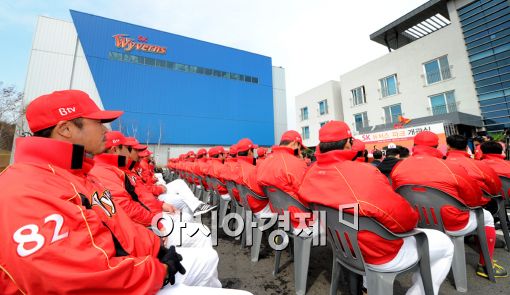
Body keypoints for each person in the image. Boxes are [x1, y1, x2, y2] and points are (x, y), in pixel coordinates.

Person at [0, 90, 252, 294]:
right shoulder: (26, 188)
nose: (105, 131)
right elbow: (82, 278)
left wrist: (156, 248)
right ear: (66, 129)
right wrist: (159, 269)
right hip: (120, 281)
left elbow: (119, 226)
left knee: (207, 258)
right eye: (98, 122)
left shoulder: (77, 172)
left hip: (134, 262)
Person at [298, 121, 454, 294]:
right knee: (445, 244)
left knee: (368, 226)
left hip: (340, 245)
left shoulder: (310, 172)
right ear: (348, 142)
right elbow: (403, 220)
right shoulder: (364, 172)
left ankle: (367, 285)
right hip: (376, 252)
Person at [391, 131, 507, 278]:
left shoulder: (399, 166)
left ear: (414, 146)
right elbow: (473, 200)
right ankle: (485, 266)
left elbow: (396, 194)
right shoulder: (451, 167)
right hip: (451, 222)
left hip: (415, 221)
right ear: (437, 146)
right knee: (487, 216)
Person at [257, 130, 310, 229]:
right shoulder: (296, 163)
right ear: (295, 144)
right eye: (300, 148)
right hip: (298, 219)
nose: (301, 151)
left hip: (277, 213)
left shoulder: (265, 161)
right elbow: (307, 193)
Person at [233, 138, 272, 217]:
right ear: (250, 152)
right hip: (259, 208)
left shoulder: (233, 167)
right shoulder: (253, 170)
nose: (255, 152)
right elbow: (267, 192)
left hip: (244, 205)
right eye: (253, 150)